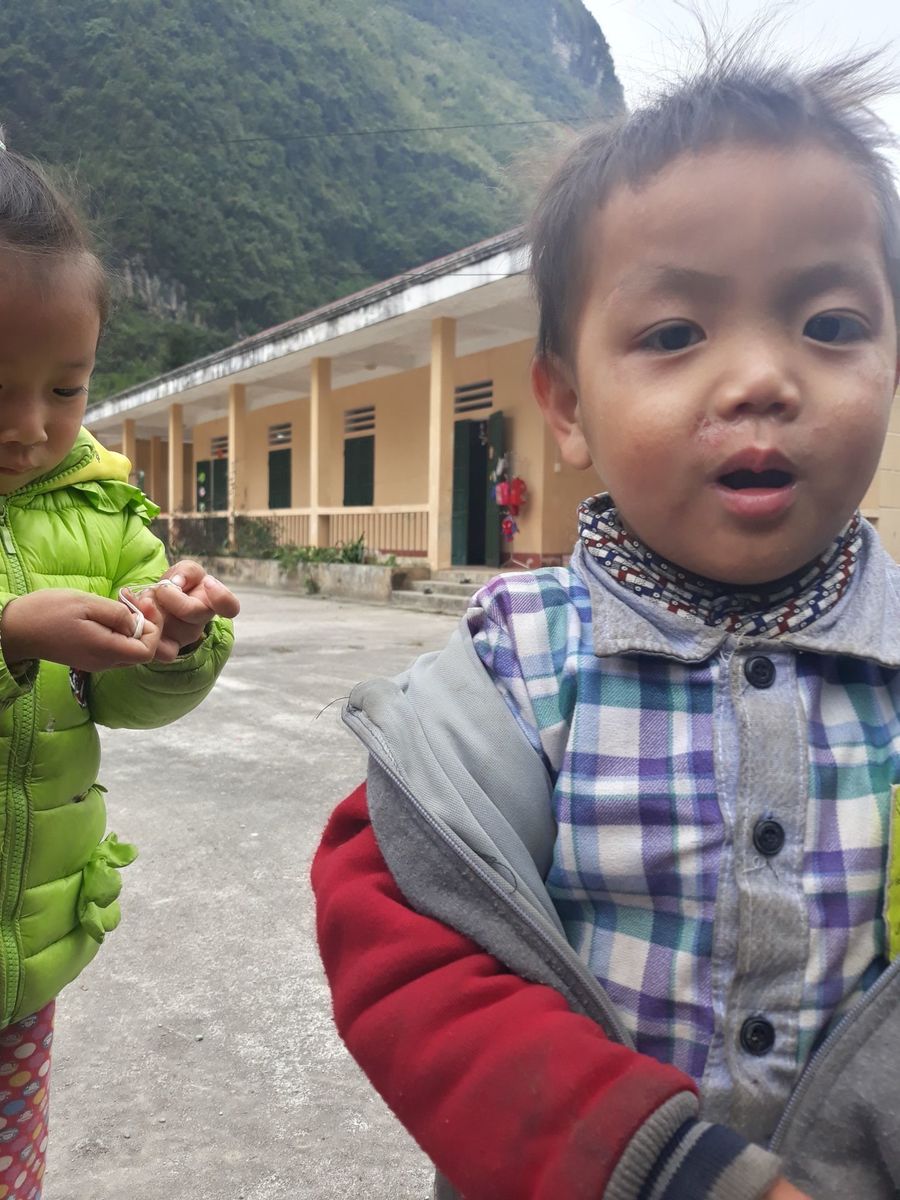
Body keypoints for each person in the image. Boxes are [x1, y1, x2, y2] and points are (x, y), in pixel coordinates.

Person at [312, 46, 900, 1200]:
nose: (761, 379)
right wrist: (647, 1159)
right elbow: (405, 933)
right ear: (569, 407)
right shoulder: (520, 667)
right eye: (675, 335)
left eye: (831, 323)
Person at [0, 130, 239, 1199]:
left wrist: (174, 640)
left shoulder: (103, 510)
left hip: (28, 944)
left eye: (65, 389)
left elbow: (128, 702)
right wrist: (8, 634)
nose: (29, 428)